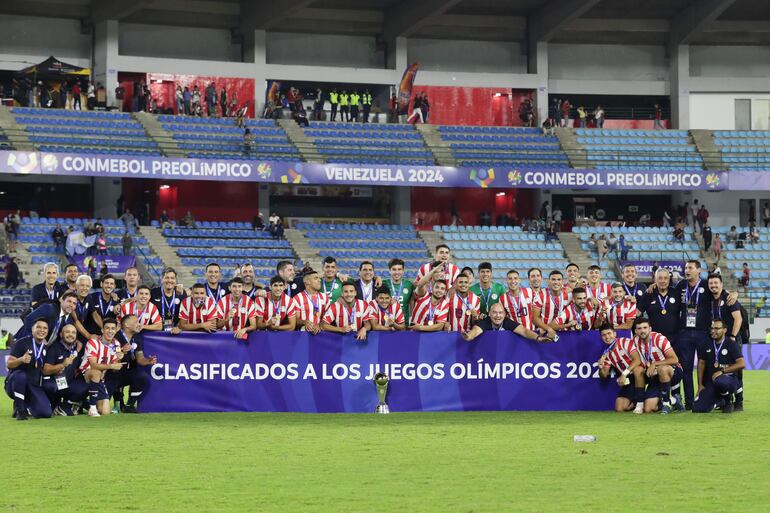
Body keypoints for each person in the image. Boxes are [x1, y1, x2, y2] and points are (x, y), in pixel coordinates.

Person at [673, 260, 736, 409]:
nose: (687, 270)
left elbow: (719, 292)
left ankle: (711, 398)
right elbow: (668, 292)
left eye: (690, 268)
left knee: (707, 367)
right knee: (686, 368)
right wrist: (654, 285)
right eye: (686, 268)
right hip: (685, 333)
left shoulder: (706, 284)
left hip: (703, 332)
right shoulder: (681, 286)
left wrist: (734, 293)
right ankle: (689, 402)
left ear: (698, 270)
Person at [632, 317, 684, 414]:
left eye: (645, 327)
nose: (642, 331)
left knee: (662, 369)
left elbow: (674, 359)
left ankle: (666, 404)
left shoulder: (659, 339)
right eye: (639, 328)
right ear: (635, 331)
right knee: (648, 408)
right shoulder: (635, 340)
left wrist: (654, 364)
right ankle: (674, 400)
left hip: (673, 371)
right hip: (655, 375)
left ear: (650, 329)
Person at [107, 314, 156, 413]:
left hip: (127, 373)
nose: (139, 324)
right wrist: (122, 352)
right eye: (136, 322)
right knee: (102, 405)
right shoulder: (116, 337)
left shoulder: (137, 337)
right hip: (111, 373)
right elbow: (110, 360)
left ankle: (130, 405)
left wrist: (147, 361)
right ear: (126, 324)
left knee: (141, 376)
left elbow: (139, 358)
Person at [693, 320, 745, 413]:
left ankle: (728, 401)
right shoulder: (706, 344)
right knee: (698, 409)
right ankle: (720, 401)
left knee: (720, 381)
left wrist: (722, 371)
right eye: (712, 328)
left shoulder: (731, 344)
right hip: (711, 383)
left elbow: (741, 363)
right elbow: (701, 364)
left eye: (717, 328)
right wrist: (700, 385)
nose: (713, 331)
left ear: (724, 330)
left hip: (728, 380)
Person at [5, 319, 53, 419]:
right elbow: (9, 364)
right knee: (21, 375)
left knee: (45, 413)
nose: (42, 330)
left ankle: (24, 404)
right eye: (38, 327)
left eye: (45, 328)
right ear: (32, 329)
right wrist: (21, 359)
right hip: (15, 383)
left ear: (48, 331)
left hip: (33, 385)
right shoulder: (22, 343)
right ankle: (20, 410)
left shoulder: (46, 347)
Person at [77, 319, 124, 417]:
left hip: (100, 379)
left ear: (116, 330)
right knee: (96, 372)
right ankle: (92, 408)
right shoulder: (93, 342)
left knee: (105, 411)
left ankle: (84, 403)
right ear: (102, 330)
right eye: (107, 328)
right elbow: (93, 365)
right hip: (85, 374)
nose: (110, 331)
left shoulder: (117, 344)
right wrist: (111, 366)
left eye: (113, 329)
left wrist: (118, 359)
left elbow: (115, 368)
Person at [597, 324, 646, 413]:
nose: (607, 337)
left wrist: (623, 374)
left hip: (641, 374)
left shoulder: (624, 342)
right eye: (604, 335)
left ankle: (641, 401)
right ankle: (638, 400)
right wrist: (600, 367)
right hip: (629, 380)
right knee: (619, 407)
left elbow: (637, 360)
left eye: (609, 333)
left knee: (637, 369)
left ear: (614, 334)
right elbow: (604, 375)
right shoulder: (606, 354)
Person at [41, 324, 85, 416]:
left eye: (73, 332)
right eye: (67, 332)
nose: (70, 334)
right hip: (54, 383)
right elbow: (45, 370)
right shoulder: (54, 348)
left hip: (67, 384)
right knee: (50, 388)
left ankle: (64, 406)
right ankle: (52, 404)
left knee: (85, 386)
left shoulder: (77, 350)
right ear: (61, 334)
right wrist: (62, 365)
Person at [462, 303, 549, 342]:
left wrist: (537, 338)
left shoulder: (507, 322)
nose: (497, 316)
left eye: (500, 313)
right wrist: (469, 336)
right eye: (494, 312)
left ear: (504, 314)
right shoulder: (486, 322)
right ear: (489, 314)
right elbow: (476, 330)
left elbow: (524, 331)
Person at [530, 271, 568, 340]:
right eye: (553, 279)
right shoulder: (541, 295)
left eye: (559, 279)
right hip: (546, 333)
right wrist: (548, 328)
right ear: (548, 281)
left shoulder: (567, 294)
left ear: (562, 282)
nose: (556, 282)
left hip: (564, 333)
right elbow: (535, 318)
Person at [289, 270, 329, 335]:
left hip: (322, 334)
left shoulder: (325, 297)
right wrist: (305, 322)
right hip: (303, 335)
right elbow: (296, 320)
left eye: (319, 278)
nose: (320, 280)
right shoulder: (297, 298)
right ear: (307, 282)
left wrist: (319, 325)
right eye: (316, 278)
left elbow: (328, 317)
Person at [707, 273, 743, 343]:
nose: (713, 285)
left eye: (716, 283)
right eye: (711, 283)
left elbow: (738, 319)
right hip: (715, 338)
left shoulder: (729, 298)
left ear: (721, 284)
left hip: (730, 338)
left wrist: (733, 336)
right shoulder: (708, 299)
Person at [150, 268, 186, 333]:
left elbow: (185, 313)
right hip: (156, 331)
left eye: (172, 278)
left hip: (175, 330)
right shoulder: (153, 292)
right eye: (167, 278)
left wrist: (179, 327)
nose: (169, 280)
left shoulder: (181, 293)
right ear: (162, 279)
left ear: (175, 281)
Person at [383, 258, 414, 325]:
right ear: (389, 270)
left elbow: (412, 301)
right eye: (394, 269)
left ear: (403, 271)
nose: (397, 272)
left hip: (404, 324)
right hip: (387, 323)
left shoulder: (409, 284)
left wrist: (411, 318)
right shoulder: (383, 284)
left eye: (399, 269)